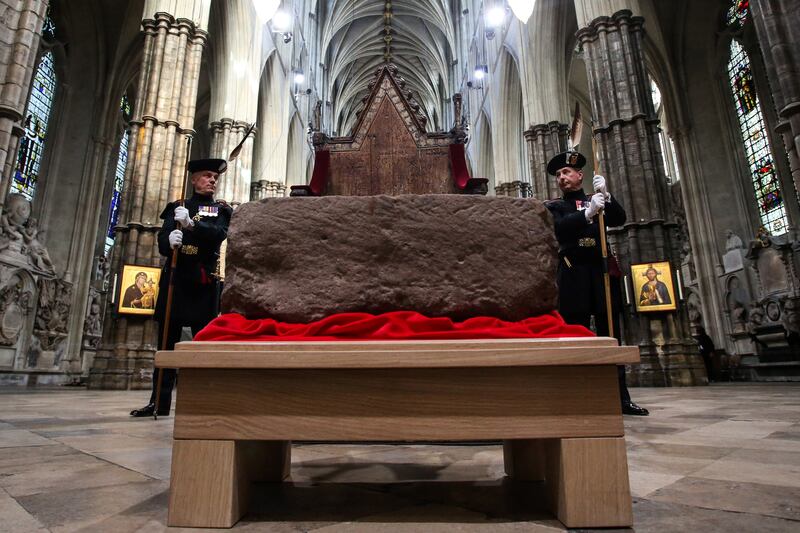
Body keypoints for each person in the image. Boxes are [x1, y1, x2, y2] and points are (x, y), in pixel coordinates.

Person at [544, 150, 649, 416]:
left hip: (601, 273)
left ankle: (620, 398)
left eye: (566, 172)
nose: (562, 178)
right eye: (558, 175)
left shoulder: (597, 200)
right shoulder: (555, 206)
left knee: (610, 335)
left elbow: (619, 219)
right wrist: (587, 215)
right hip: (572, 275)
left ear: (580, 175)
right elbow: (558, 229)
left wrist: (608, 197)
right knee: (574, 336)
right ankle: (577, 397)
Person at [130, 158, 232, 417]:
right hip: (175, 282)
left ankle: (201, 402)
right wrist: (169, 240)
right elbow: (163, 241)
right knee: (165, 343)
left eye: (215, 177)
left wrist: (191, 225)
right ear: (194, 179)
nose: (212, 181)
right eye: (207, 176)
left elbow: (219, 235)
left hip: (204, 283)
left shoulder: (221, 211)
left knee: (203, 345)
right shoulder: (177, 207)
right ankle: (159, 403)